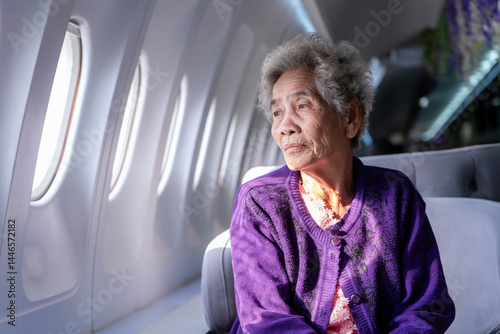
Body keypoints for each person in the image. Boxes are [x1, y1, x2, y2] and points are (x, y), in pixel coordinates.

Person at [229, 33, 455, 333]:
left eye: (302, 106)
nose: (284, 127)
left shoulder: (396, 195)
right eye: (277, 112)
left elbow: (425, 305)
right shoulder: (259, 203)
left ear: (349, 117)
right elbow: (267, 321)